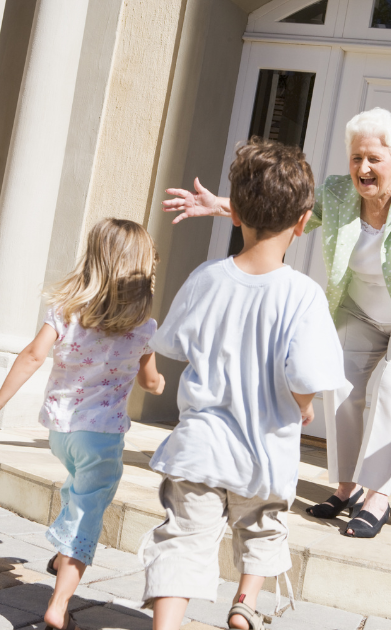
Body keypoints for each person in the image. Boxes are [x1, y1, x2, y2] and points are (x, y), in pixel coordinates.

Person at [163, 108, 391, 539]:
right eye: (355, 159)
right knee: (343, 387)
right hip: (360, 311)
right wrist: (222, 205)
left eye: (373, 159)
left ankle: (377, 496)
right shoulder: (337, 193)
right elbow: (284, 211)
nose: (362, 169)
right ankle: (346, 487)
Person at [141, 139, 348, 630]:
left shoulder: (206, 278)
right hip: (265, 450)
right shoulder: (304, 295)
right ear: (303, 222)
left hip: (200, 447)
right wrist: (305, 404)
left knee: (184, 539)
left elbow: (172, 344)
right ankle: (244, 605)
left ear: (234, 214)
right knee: (262, 529)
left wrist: (149, 373)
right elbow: (305, 375)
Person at [0, 218, 166, 630]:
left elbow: (31, 356)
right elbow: (151, 382)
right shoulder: (144, 328)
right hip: (103, 437)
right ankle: (59, 605)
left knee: (78, 493)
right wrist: (159, 381)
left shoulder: (65, 311)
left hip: (60, 431)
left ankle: (60, 556)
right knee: (88, 515)